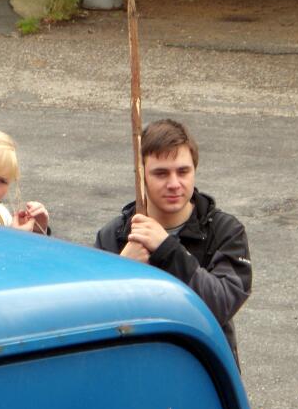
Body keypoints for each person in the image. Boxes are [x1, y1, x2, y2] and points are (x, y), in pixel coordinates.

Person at [95, 119, 251, 367]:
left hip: (203, 372)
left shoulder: (225, 231)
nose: (174, 184)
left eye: (183, 171)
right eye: (161, 173)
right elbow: (93, 316)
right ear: (141, 175)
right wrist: (121, 271)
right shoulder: (115, 235)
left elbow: (220, 305)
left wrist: (167, 249)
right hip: (135, 369)